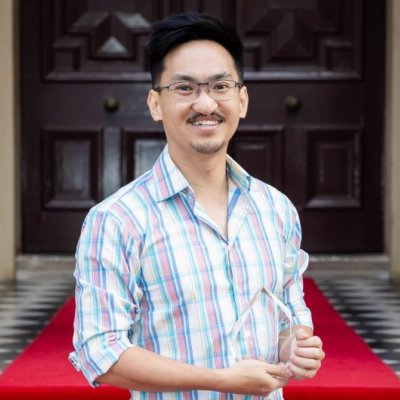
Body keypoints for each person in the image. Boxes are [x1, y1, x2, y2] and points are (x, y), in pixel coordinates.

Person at [69, 12, 325, 400]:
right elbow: (99, 353)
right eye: (185, 88)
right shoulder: (116, 220)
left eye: (220, 86)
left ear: (242, 99)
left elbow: (290, 317)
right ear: (155, 103)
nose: (205, 103)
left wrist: (296, 348)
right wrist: (221, 379)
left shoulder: (276, 210)